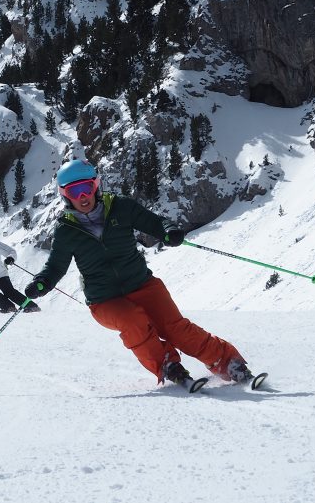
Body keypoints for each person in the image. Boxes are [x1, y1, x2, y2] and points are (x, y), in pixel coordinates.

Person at [23, 158, 256, 389]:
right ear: (65, 195)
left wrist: (168, 231)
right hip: (105, 300)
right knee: (132, 320)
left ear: (96, 185)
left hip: (142, 285)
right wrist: (42, 282)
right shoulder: (66, 230)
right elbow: (56, 266)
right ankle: (168, 365)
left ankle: (229, 363)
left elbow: (154, 222)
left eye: (87, 188)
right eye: (74, 191)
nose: (82, 196)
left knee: (175, 328)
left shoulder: (121, 207)